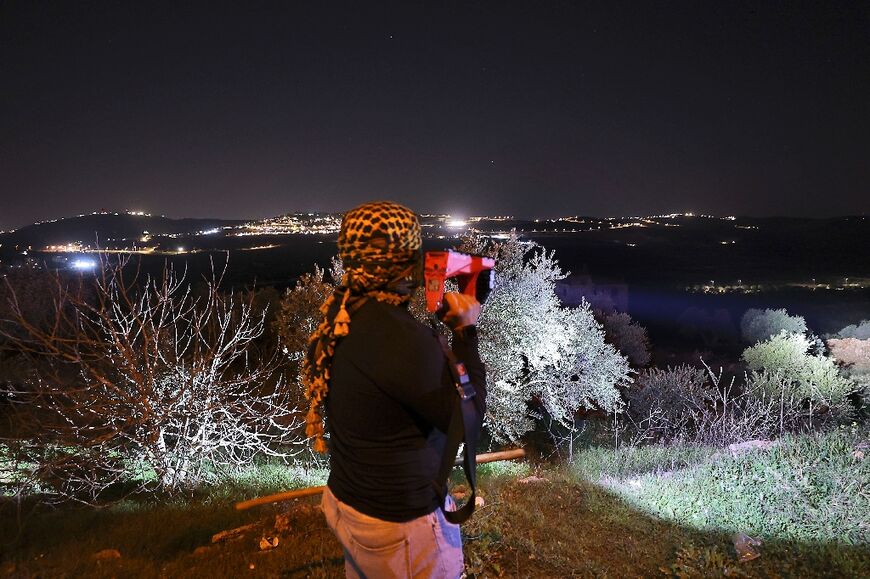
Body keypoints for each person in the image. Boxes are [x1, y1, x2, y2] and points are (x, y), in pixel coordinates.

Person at [302, 201, 487, 579]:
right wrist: (466, 333)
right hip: (401, 529)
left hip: (350, 506)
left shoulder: (342, 314)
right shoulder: (401, 339)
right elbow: (466, 418)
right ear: (406, 261)